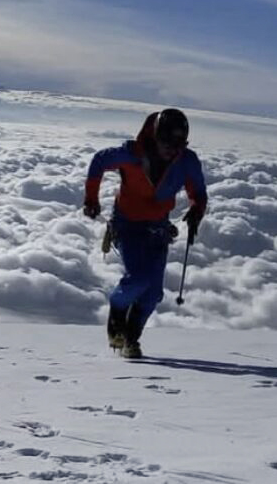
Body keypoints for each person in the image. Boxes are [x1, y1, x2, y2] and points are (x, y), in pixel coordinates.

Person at [83, 108, 207, 358]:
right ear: (154, 136)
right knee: (138, 279)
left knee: (153, 295)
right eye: (167, 143)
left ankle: (131, 341)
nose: (172, 150)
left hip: (157, 228)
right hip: (127, 225)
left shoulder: (187, 160)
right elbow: (98, 161)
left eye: (179, 144)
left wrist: (197, 210)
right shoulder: (131, 155)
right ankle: (117, 315)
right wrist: (91, 199)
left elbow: (198, 191)